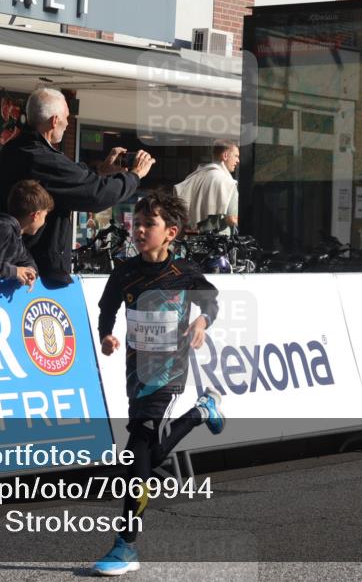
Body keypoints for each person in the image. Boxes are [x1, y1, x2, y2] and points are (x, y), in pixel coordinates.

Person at [92, 190, 224, 577]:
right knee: (145, 455)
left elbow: (211, 300)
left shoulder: (184, 272)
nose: (139, 229)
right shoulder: (125, 271)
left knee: (138, 450)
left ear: (171, 232)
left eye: (149, 224)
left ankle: (125, 544)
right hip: (136, 373)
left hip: (169, 373)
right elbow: (107, 308)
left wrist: (201, 321)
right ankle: (201, 413)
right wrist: (106, 336)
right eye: (137, 222)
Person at [0, 87, 154, 284]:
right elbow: (95, 195)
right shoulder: (39, 157)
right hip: (31, 272)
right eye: (66, 117)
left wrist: (101, 170)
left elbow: (70, 178)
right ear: (55, 120)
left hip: (15, 263)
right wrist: (134, 176)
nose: (68, 123)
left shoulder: (18, 148)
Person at [174, 139, 240, 234]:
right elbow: (231, 219)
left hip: (193, 241)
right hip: (219, 243)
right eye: (236, 156)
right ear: (225, 156)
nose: (238, 160)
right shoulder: (228, 183)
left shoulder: (193, 177)